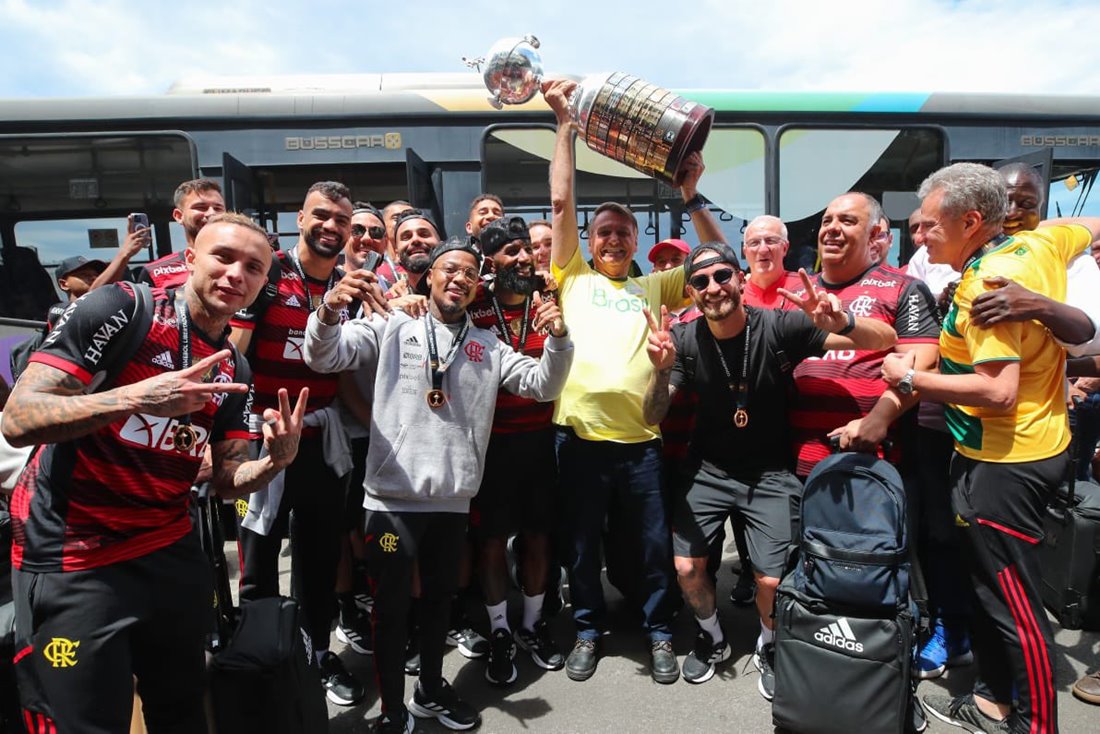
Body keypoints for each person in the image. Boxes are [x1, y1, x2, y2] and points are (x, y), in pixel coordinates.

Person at [3, 212, 306, 733]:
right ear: (190, 258)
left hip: (168, 548)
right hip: (74, 554)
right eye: (224, 257)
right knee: (85, 721)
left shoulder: (233, 366)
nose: (237, 274)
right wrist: (136, 397)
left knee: (183, 709)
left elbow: (226, 480)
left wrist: (274, 462)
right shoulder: (122, 309)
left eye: (253, 268)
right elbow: (18, 417)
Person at [303, 236, 573, 733]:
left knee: (438, 604)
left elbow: (544, 386)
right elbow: (323, 357)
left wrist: (558, 339)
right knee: (390, 607)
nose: (460, 279)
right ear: (429, 276)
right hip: (391, 501)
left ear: (476, 286)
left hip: (451, 502)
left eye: (470, 274)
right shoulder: (391, 323)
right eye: (450, 269)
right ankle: (391, 710)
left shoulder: (488, 345)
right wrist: (327, 311)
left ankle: (429, 689)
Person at [883, 162, 1100, 734]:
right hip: (1034, 446)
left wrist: (908, 379)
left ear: (972, 221)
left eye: (929, 226)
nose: (920, 237)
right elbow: (1092, 226)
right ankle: (993, 702)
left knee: (1014, 606)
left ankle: (1035, 724)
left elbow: (997, 390)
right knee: (989, 589)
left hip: (1005, 461)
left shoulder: (988, 284)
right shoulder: (1045, 239)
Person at [643, 243, 896, 696]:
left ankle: (769, 641)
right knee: (686, 568)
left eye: (721, 276)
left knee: (772, 579)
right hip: (708, 470)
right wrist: (660, 372)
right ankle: (713, 637)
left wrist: (844, 322)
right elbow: (651, 415)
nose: (712, 287)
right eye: (699, 282)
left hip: (770, 472)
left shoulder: (780, 325)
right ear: (693, 293)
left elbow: (884, 340)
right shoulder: (682, 338)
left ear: (740, 278)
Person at [541, 77, 724, 684]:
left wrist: (692, 197)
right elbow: (562, 203)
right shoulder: (573, 277)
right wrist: (565, 128)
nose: (614, 238)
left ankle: (658, 632)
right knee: (582, 548)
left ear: (637, 241)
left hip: (642, 445)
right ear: (590, 245)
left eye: (624, 231)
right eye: (604, 233)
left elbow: (722, 263)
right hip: (578, 442)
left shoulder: (654, 287)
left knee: (651, 550)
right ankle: (588, 630)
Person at [230, 181, 370, 707]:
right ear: (299, 217)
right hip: (263, 440)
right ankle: (263, 659)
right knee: (259, 557)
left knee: (318, 557)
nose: (332, 227)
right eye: (323, 216)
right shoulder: (267, 277)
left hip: (322, 440)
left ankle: (313, 655)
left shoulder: (349, 286)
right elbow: (232, 359)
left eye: (342, 220)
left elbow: (351, 370)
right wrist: (245, 431)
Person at [465, 216, 566, 685]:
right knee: (489, 542)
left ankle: (531, 623)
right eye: (511, 251)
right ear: (491, 261)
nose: (524, 257)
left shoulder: (551, 300)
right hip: (489, 445)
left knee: (539, 535)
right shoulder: (472, 303)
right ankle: (500, 629)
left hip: (540, 441)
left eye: (526, 248)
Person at [786, 192, 940, 477]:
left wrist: (878, 419)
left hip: (871, 462)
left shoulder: (905, 288)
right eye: (826, 221)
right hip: (792, 466)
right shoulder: (795, 293)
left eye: (847, 221)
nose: (832, 228)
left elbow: (924, 365)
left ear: (875, 234)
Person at [134, 179, 227, 288]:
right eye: (201, 207)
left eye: (218, 208)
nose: (212, 213)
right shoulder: (155, 273)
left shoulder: (245, 263)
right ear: (179, 216)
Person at [741, 215, 802, 309]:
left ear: (785, 248)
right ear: (745, 252)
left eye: (771, 241)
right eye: (754, 243)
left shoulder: (805, 289)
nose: (763, 250)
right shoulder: (735, 296)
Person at [377, 209, 443, 298]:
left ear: (441, 246)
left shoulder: (462, 291)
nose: (415, 240)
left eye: (424, 234)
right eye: (406, 237)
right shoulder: (389, 303)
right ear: (397, 255)